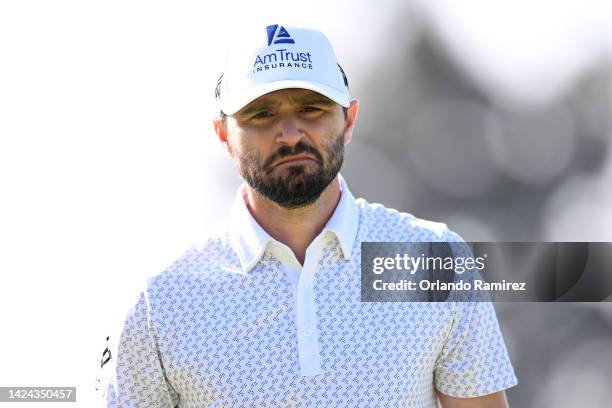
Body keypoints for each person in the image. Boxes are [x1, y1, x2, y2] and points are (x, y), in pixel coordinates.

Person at [97, 24, 518, 407]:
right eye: (262, 114)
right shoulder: (163, 304)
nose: (291, 133)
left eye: (312, 109)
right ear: (224, 135)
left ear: (349, 119)